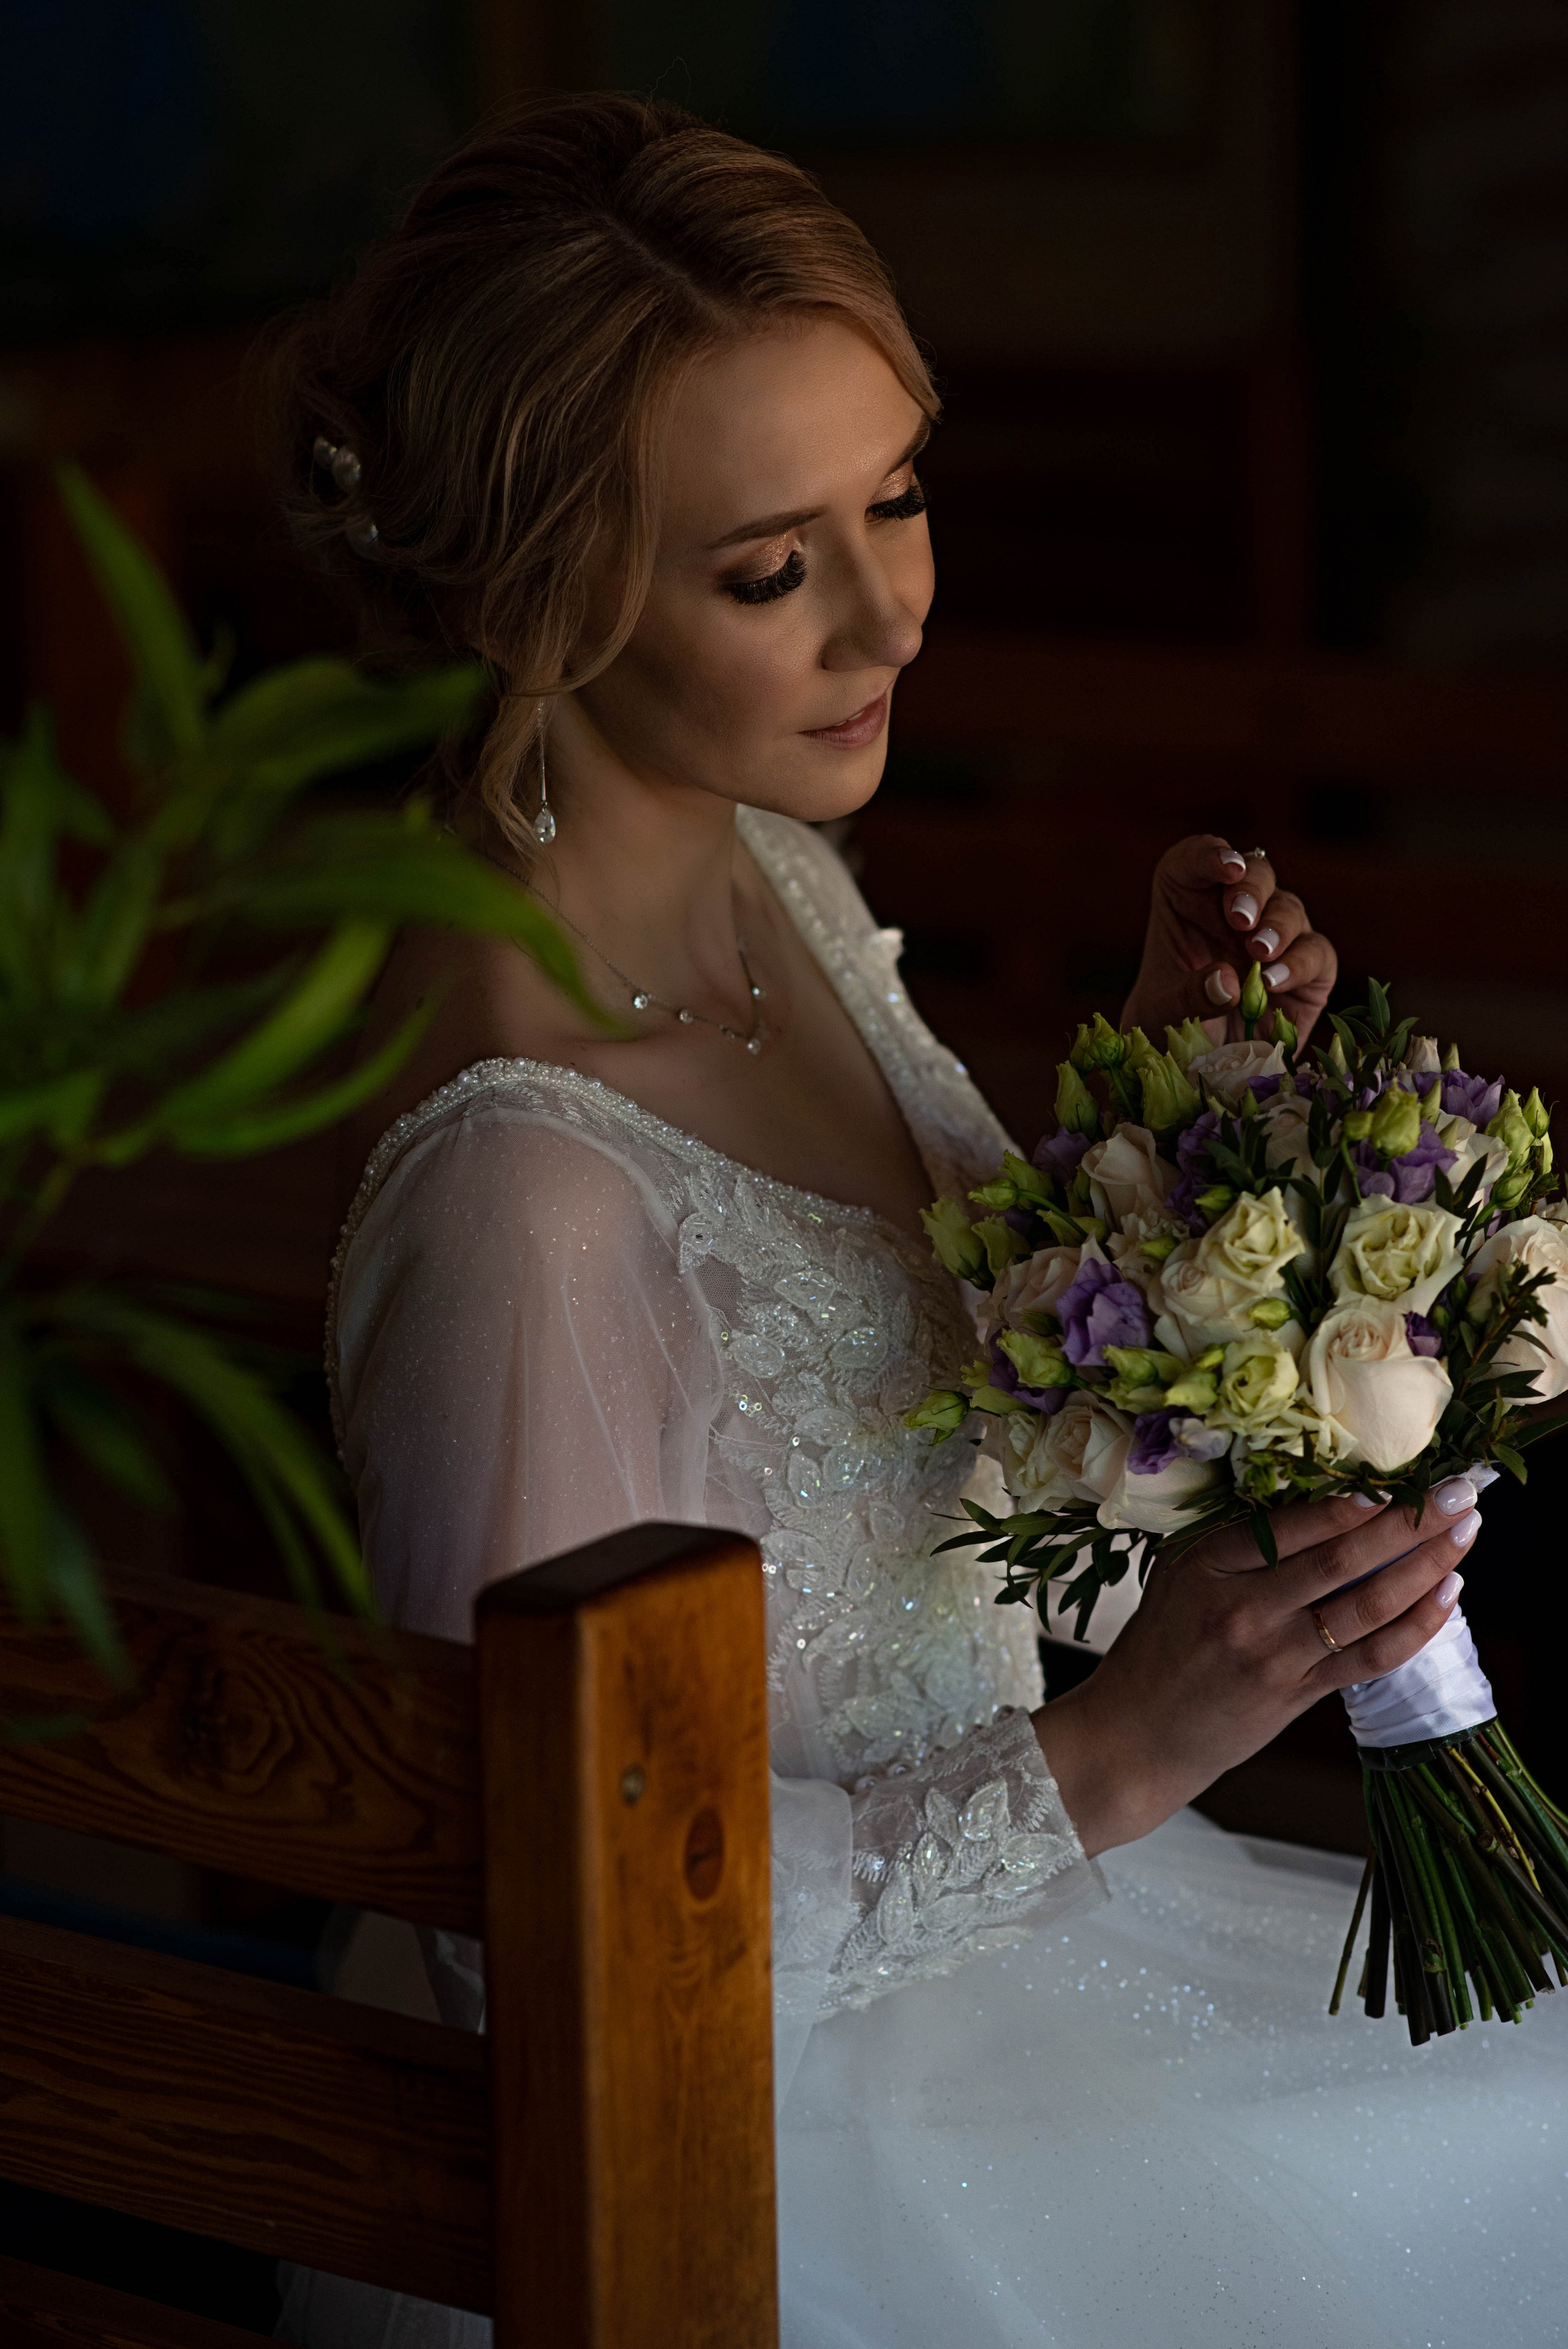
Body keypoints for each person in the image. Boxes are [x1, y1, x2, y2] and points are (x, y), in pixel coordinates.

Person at [270, 97, 1568, 2349]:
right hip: (755, 2132)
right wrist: (1137, 1743)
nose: (892, 606)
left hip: (1029, 1951)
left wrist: (1162, 1135)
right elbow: (541, 1940)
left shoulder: (772, 872)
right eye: (770, 566)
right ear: (541, 594)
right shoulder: (520, 1194)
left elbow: (847, 1438)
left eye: (897, 493)